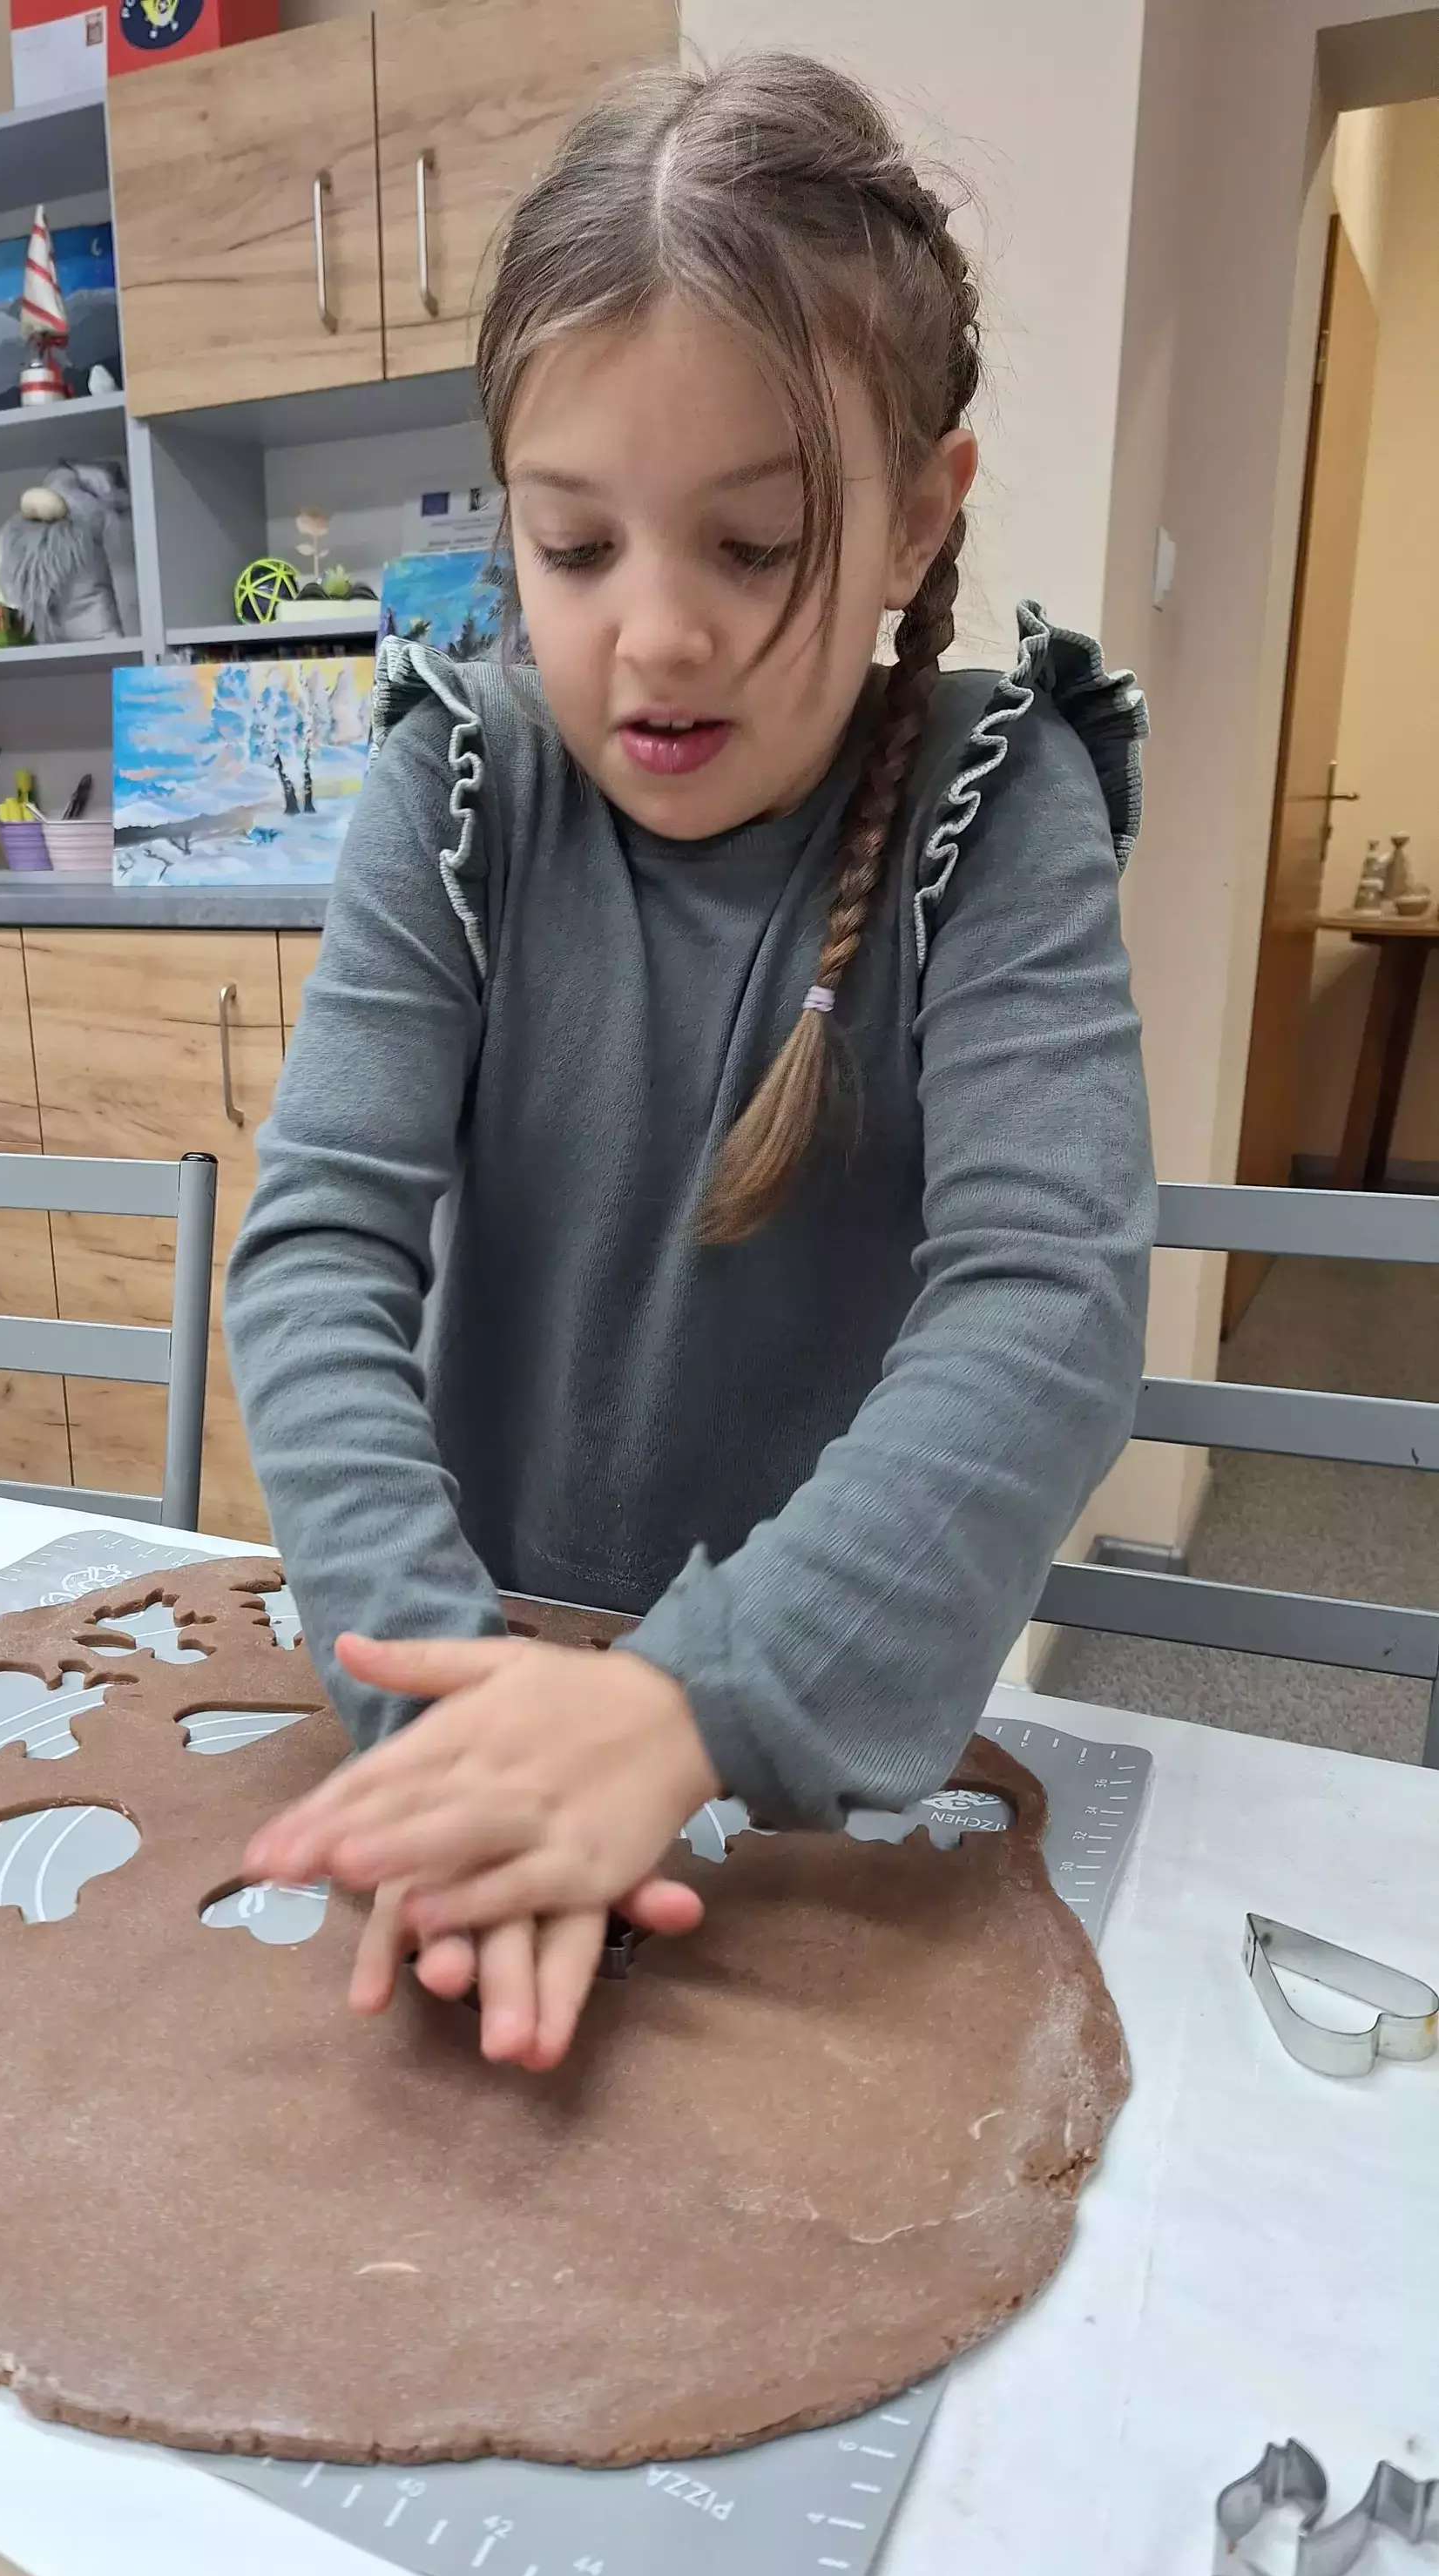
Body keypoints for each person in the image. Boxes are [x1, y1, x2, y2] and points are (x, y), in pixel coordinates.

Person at [223, 52, 1153, 2076]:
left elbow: (1050, 1305)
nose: (654, 635)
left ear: (917, 518)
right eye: (575, 550)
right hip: (481, 1695)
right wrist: (447, 1712)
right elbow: (315, 1257)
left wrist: (681, 1708)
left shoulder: (1001, 806)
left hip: (813, 1761)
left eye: (752, 548)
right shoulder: (457, 788)